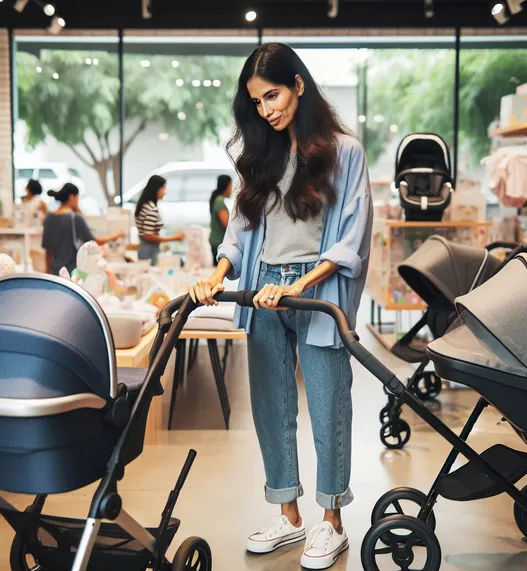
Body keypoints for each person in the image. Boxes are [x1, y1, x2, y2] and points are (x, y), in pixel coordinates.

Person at [188, 43, 372, 570]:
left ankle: (331, 521)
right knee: (271, 408)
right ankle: (289, 516)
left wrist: (301, 287)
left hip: (317, 294)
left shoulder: (344, 151)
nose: (266, 109)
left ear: (298, 84)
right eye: (256, 102)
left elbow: (350, 239)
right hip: (262, 292)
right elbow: (241, 229)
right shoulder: (260, 157)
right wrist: (218, 274)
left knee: (330, 407)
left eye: (272, 95)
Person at [42, 183, 124, 275]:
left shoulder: (49, 217)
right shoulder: (75, 218)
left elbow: (47, 250)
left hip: (55, 272)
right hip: (72, 272)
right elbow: (93, 241)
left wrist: (47, 271)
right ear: (72, 197)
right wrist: (116, 236)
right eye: (77, 197)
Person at [135, 174, 184, 265]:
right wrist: (174, 238)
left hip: (145, 249)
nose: (164, 192)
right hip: (149, 251)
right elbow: (148, 235)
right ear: (157, 189)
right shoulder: (151, 209)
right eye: (163, 188)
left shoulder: (145, 205)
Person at [208, 174, 233, 263]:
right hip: (218, 241)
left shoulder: (217, 200)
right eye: (231, 185)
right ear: (227, 186)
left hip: (215, 241)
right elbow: (226, 224)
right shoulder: (219, 202)